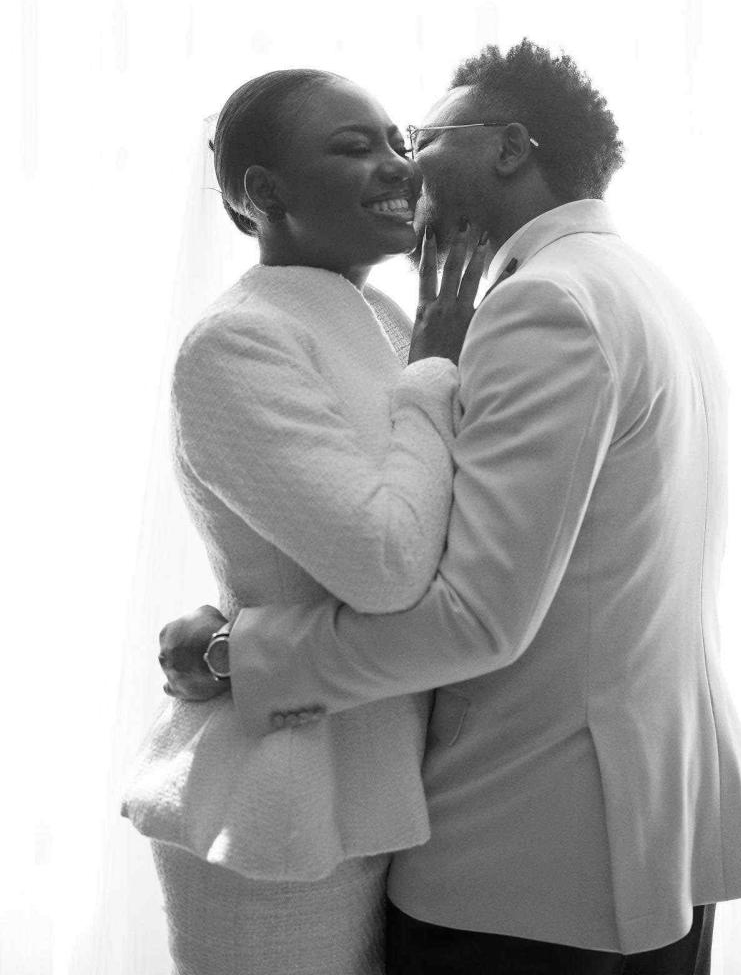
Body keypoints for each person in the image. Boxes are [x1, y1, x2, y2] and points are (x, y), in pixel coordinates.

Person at [162, 40, 741, 973]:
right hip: (642, 828)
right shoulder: (640, 289)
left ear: (509, 148)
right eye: (368, 144)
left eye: (418, 136)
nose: (404, 164)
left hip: (531, 845)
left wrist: (236, 653)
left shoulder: (542, 305)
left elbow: (471, 612)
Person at [122, 67, 494, 975]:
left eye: (399, 142)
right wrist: (436, 365)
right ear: (263, 192)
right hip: (273, 801)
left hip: (380, 777)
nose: (399, 166)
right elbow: (385, 565)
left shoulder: (387, 316)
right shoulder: (238, 340)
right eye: (354, 147)